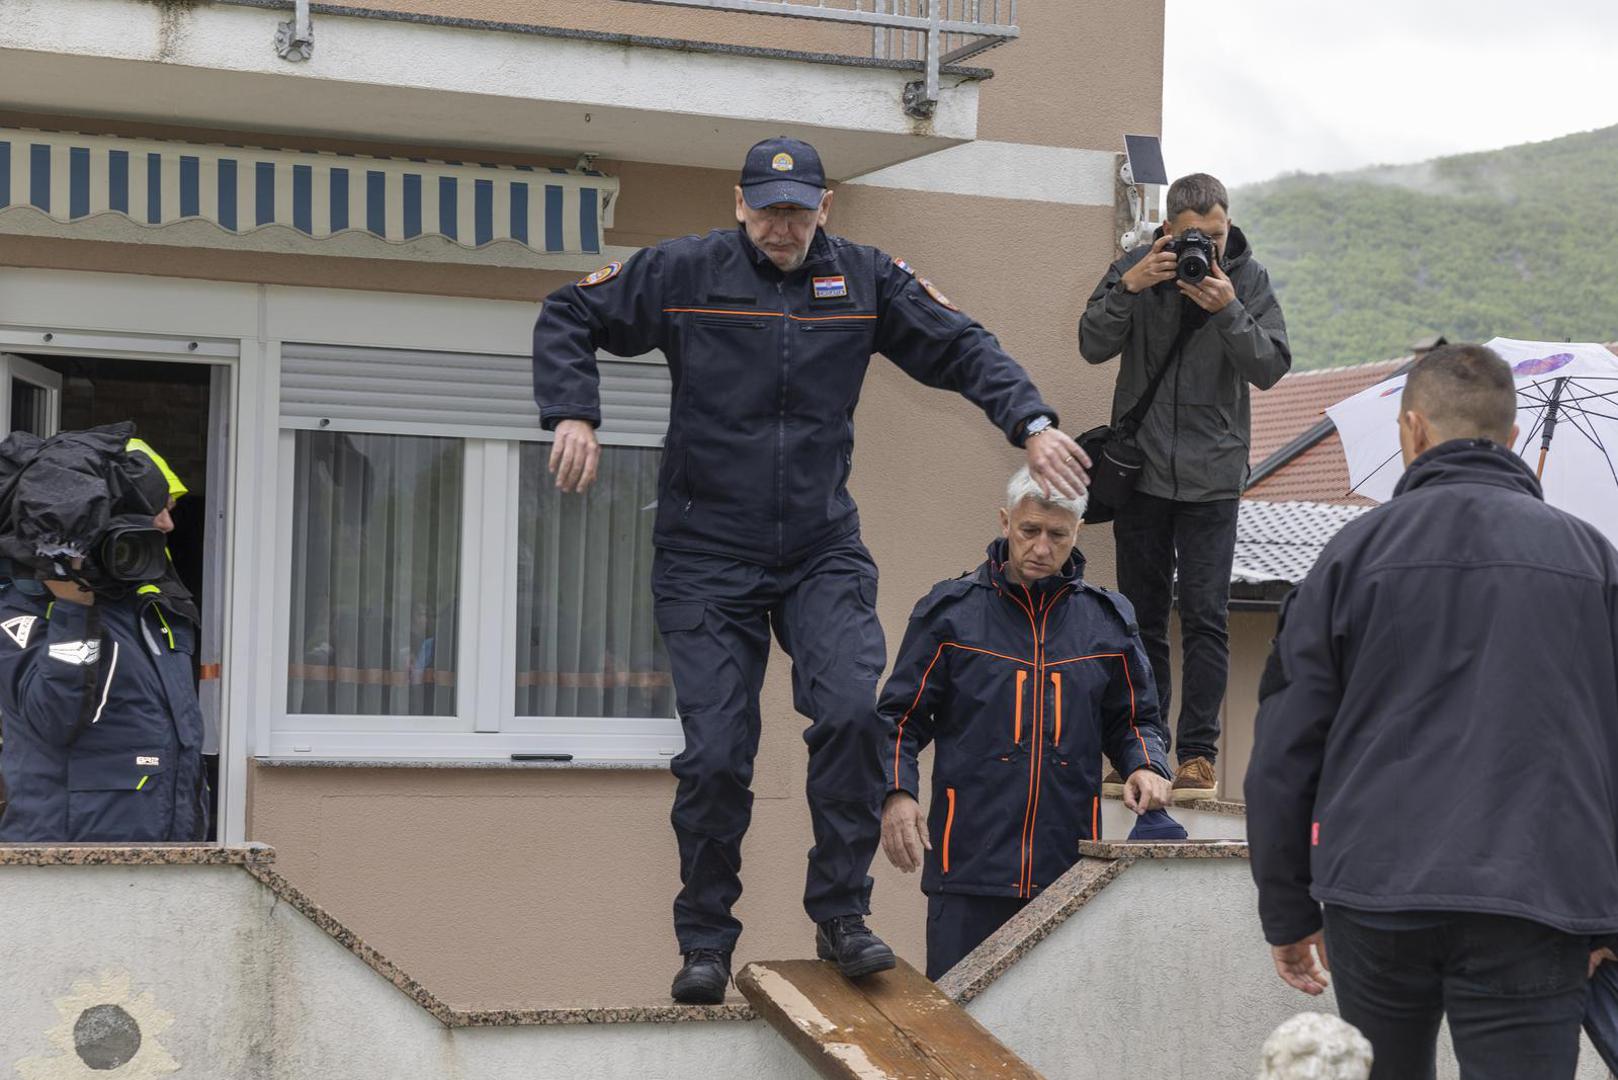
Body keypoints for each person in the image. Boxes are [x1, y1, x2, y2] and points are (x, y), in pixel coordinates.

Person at [532, 136, 1092, 1004]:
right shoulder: (685, 273)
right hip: (705, 554)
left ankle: (840, 913)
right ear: (739, 202)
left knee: (852, 711)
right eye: (767, 210)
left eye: (798, 211)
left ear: (824, 207)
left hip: (818, 550)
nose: (782, 227)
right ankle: (706, 940)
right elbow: (571, 312)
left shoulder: (865, 279)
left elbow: (960, 346)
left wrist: (1033, 421)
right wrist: (573, 411)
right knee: (719, 755)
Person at [1246, 344, 1618, 1080]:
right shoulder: (1593, 562)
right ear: (1511, 438)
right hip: (1538, 900)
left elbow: (1286, 747)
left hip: (1377, 893)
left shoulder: (1351, 555)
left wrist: (1287, 912)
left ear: (1411, 430)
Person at [878, 467, 1173, 980]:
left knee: (1052, 1031)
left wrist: (1147, 766)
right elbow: (898, 719)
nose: (1041, 546)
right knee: (959, 1029)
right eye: (1029, 530)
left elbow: (1134, 719)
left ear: (1077, 532)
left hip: (1066, 866)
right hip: (967, 867)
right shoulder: (950, 613)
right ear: (1005, 521)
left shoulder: (1106, 620)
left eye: (1057, 534)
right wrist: (896, 793)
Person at [1079, 173, 1291, 802]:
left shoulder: (1247, 279)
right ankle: (1144, 748)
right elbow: (1092, 344)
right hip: (1140, 473)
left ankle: (1198, 754)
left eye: (1218, 235)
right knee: (1140, 619)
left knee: (1204, 618)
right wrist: (1129, 285)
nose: (1207, 249)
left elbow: (1272, 366)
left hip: (1213, 477)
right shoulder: (1134, 268)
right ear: (1167, 229)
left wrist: (1228, 308)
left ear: (1229, 228)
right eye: (1195, 237)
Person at [0, 433, 207, 843]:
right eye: (159, 508)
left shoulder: (153, 606)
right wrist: (73, 611)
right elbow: (53, 719)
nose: (169, 524)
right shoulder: (24, 607)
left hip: (168, 854)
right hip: (72, 860)